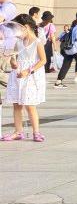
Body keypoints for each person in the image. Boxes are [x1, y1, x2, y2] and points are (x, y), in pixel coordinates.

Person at [1, 14, 47, 142]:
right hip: (18, 75)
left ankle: (36, 132)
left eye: (17, 29)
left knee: (29, 105)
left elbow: (43, 60)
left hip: (31, 76)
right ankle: (18, 132)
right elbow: (14, 57)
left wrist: (28, 71)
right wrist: (13, 62)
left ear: (26, 27)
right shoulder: (19, 42)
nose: (16, 32)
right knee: (17, 105)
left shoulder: (37, 42)